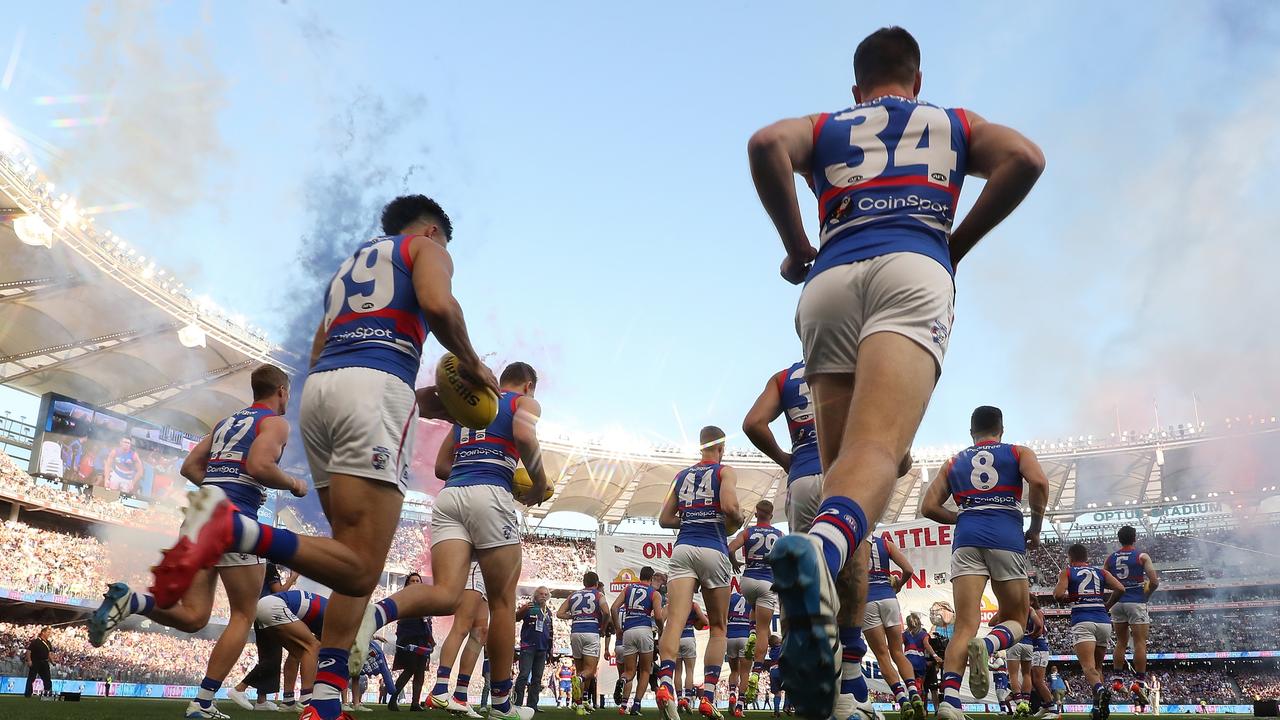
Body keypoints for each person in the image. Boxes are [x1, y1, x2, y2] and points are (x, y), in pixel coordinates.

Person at [748, 25, 1044, 719]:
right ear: (916, 80)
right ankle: (819, 555)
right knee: (877, 456)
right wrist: (954, 244)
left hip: (829, 275)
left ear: (857, 88)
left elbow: (765, 145)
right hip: (912, 264)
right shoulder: (949, 121)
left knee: (842, 469)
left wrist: (798, 247)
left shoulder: (826, 125)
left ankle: (846, 674)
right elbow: (1025, 159)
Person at [142, 195, 497, 720]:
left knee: (348, 557)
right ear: (432, 232)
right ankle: (239, 532)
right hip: (374, 390)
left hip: (323, 395)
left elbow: (319, 354)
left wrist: (407, 403)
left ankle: (326, 697)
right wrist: (473, 365)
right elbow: (440, 306)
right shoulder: (425, 247)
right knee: (360, 569)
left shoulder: (347, 269)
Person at [89, 363, 304, 720]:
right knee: (243, 614)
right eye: (288, 394)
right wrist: (293, 484)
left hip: (200, 514)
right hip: (234, 519)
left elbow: (189, 467)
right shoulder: (275, 423)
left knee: (193, 617)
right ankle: (202, 703)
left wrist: (221, 484)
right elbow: (262, 466)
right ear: (282, 391)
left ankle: (135, 601)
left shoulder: (225, 423)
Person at [350, 361, 546, 720]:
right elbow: (525, 436)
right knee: (502, 603)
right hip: (490, 494)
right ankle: (503, 704)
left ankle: (376, 613)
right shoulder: (522, 403)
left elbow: (442, 468)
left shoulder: (469, 408)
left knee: (445, 594)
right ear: (529, 385)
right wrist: (536, 483)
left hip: (451, 496)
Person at [920, 406, 1049, 720]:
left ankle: (950, 703)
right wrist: (1034, 527)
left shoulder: (953, 462)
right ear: (1001, 429)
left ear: (971, 432)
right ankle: (989, 646)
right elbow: (1040, 484)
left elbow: (928, 506)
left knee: (964, 624)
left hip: (966, 540)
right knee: (1018, 618)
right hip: (1006, 536)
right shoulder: (1018, 452)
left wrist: (963, 517)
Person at [654, 426, 744, 720]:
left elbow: (664, 519)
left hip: (683, 549)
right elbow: (731, 507)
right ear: (722, 447)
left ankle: (666, 682)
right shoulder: (724, 471)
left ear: (700, 445)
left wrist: (692, 518)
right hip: (713, 548)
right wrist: (738, 519)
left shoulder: (681, 475)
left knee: (675, 623)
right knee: (718, 627)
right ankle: (706, 697)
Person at [1053, 544, 1126, 720]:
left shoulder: (1068, 572)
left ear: (1071, 557)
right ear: (1086, 557)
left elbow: (1057, 594)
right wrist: (1106, 605)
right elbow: (1121, 589)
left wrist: (1071, 597)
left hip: (1083, 620)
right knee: (1098, 667)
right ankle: (1096, 708)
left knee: (1088, 667)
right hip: (1103, 621)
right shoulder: (1101, 572)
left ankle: (1100, 691)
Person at [727, 500, 783, 706]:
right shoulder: (779, 535)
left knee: (753, 608)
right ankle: (756, 672)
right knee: (763, 630)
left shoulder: (748, 532)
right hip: (768, 581)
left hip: (748, 580)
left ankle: (750, 631)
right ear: (771, 514)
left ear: (756, 513)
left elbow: (730, 548)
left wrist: (734, 562)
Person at [862, 535, 924, 719]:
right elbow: (908, 570)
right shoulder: (885, 544)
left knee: (882, 655)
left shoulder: (854, 545)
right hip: (889, 598)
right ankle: (913, 692)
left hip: (867, 601)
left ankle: (903, 699)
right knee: (897, 652)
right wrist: (898, 586)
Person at [228, 561, 294, 712]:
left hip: (258, 611)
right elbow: (279, 592)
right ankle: (240, 688)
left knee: (268, 657)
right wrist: (293, 578)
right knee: (272, 658)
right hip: (268, 612)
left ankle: (262, 700)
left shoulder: (258, 567)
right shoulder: (270, 568)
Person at [1106, 525, 1159, 704]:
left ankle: (1118, 679)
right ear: (1134, 538)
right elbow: (1154, 582)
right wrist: (1146, 596)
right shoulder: (1142, 556)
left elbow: (1105, 580)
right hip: (1136, 601)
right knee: (1139, 643)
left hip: (1117, 602)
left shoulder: (1110, 558)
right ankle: (1139, 682)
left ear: (1119, 539)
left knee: (1120, 642)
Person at [428, 562, 489, 717]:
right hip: (477, 563)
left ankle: (460, 696)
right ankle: (440, 689)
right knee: (461, 626)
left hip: (488, 570)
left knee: (480, 633)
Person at [255, 588, 329, 712]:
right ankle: (306, 699)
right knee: (313, 646)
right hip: (275, 605)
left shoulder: (329, 610)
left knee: (296, 653)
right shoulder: (336, 618)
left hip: (265, 606)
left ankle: (288, 701)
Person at [611, 566, 666, 715]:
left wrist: (617, 628)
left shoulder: (628, 589)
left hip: (628, 631)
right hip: (644, 630)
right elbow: (659, 617)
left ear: (640, 576)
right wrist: (661, 630)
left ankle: (622, 680)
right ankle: (636, 704)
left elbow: (614, 608)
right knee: (645, 670)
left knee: (629, 671)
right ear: (652, 578)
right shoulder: (654, 593)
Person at [558, 571, 609, 716]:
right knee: (590, 672)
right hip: (591, 631)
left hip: (575, 632)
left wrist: (574, 616)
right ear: (597, 583)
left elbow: (559, 613)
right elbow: (606, 612)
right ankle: (579, 685)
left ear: (583, 583)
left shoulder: (573, 595)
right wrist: (602, 628)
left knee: (581, 670)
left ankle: (580, 704)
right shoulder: (599, 595)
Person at [390, 573, 434, 712]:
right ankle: (393, 699)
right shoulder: (402, 598)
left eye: (417, 580)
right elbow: (400, 618)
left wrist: (429, 638)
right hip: (408, 639)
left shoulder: (426, 600)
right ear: (407, 584)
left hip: (422, 639)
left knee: (420, 671)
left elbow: (428, 620)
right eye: (412, 580)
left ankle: (415, 703)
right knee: (410, 669)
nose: (415, 582)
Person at [516, 587, 555, 709]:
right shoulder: (529, 607)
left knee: (537, 678)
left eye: (545, 594)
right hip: (528, 646)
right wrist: (523, 609)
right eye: (541, 594)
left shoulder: (548, 611)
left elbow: (550, 631)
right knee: (524, 675)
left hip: (542, 648)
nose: (543, 596)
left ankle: (532, 705)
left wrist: (550, 649)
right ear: (536, 595)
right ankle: (517, 704)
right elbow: (515, 618)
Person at [723, 590, 754, 717]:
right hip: (745, 635)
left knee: (734, 671)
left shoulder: (731, 597)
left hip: (731, 635)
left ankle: (731, 695)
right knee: (745, 673)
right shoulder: (753, 598)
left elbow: (724, 615)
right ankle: (740, 706)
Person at [674, 602, 709, 713]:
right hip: (688, 637)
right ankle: (687, 699)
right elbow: (705, 621)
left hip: (675, 638)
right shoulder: (693, 605)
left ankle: (679, 698)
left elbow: (661, 618)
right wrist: (694, 621)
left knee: (678, 672)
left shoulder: (674, 603)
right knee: (690, 671)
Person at [902, 613, 935, 702]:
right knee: (921, 684)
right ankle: (922, 705)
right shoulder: (923, 634)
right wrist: (935, 656)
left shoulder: (905, 634)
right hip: (919, 662)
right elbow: (927, 645)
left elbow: (896, 645)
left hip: (907, 661)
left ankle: (914, 700)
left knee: (911, 685)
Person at [23, 627, 53, 698]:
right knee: (31, 678)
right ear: (43, 632)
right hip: (35, 662)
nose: (49, 634)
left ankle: (47, 694)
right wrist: (29, 660)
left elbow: (49, 654)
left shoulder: (48, 643)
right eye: (48, 632)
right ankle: (28, 694)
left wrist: (52, 661)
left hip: (45, 662)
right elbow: (28, 651)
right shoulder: (35, 641)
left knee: (47, 679)